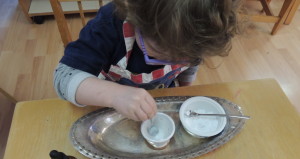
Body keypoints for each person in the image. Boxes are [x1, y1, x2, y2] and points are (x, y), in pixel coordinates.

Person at [53, 0, 241, 121]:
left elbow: (191, 66)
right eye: (161, 52)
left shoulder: (196, 37)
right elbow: (63, 78)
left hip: (159, 100)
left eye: (182, 57)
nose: (173, 62)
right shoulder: (110, 24)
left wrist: (185, 90)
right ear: (139, 21)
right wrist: (115, 95)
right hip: (107, 104)